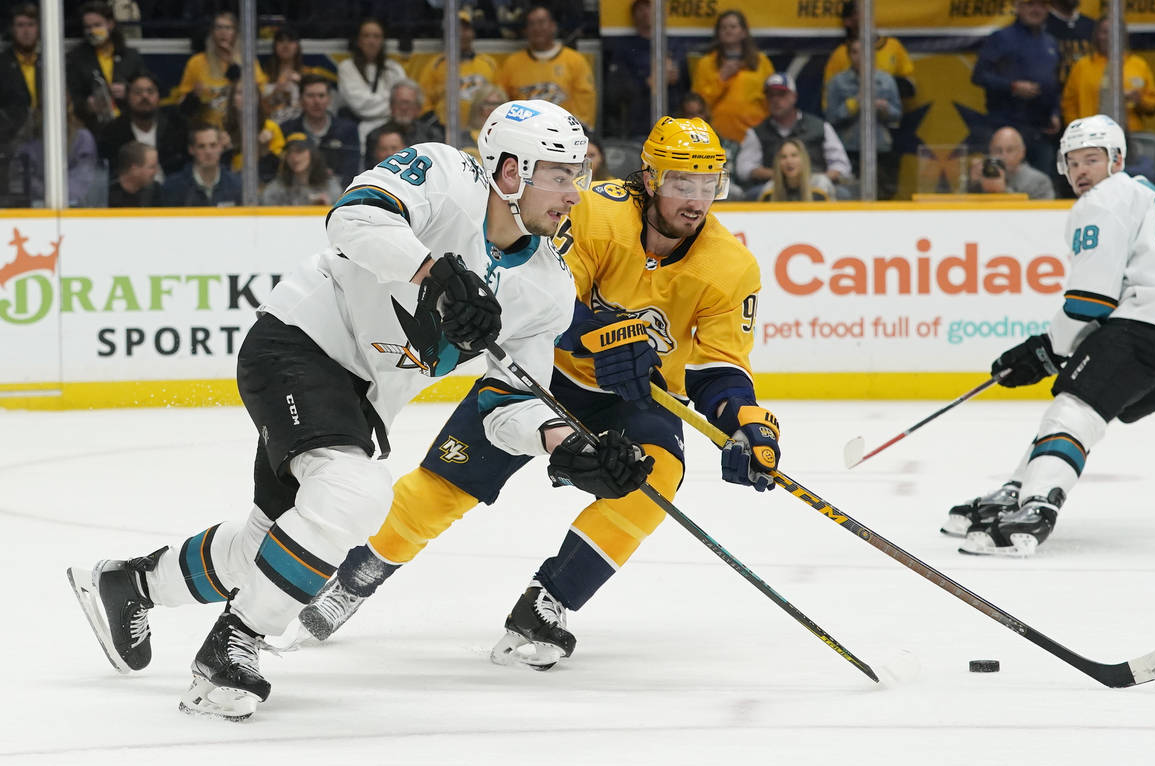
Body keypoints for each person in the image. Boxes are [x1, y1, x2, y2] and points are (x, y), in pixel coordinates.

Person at [67, 99, 650, 720]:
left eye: (580, 175)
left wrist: (570, 447)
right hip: (299, 340)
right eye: (562, 176)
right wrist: (436, 272)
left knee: (269, 549)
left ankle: (131, 583)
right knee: (354, 496)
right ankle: (233, 648)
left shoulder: (548, 288)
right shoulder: (447, 175)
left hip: (363, 405)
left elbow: (510, 402)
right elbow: (353, 217)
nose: (574, 194)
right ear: (511, 171)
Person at [296, 116, 782, 670]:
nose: (695, 201)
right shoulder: (591, 210)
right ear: (648, 179)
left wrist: (745, 420)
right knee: (441, 488)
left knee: (657, 475)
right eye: (680, 183)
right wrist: (600, 337)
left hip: (634, 398)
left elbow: (717, 368)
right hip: (540, 374)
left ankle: (549, 600)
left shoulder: (732, 266)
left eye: (708, 184)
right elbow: (539, 294)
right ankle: (357, 577)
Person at [946, 116, 1155, 557]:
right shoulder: (1144, 194)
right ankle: (1017, 487)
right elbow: (1109, 306)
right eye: (1073, 162)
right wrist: (1054, 351)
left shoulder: (1101, 201)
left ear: (1115, 161)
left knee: (1074, 405)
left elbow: (1090, 303)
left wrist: (1042, 350)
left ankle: (1037, 505)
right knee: (1083, 405)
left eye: (1092, 159)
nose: (1082, 171)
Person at [971, 0, 1061, 178]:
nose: (1036, 9)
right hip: (1007, 128)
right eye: (1030, 4)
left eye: (1041, 5)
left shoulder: (1050, 42)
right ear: (1017, 7)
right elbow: (979, 76)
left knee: (1042, 183)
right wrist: (1012, 86)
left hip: (1040, 131)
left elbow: (1054, 82)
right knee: (1003, 183)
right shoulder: (1001, 38)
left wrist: (1055, 112)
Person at [736, 72, 851, 201]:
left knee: (842, 193)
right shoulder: (757, 132)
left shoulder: (820, 127)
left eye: (781, 94)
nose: (775, 100)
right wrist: (781, 176)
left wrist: (814, 179)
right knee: (753, 194)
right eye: (771, 95)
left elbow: (841, 166)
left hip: (816, 184)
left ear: (794, 97)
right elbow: (744, 168)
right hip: (775, 185)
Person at [824, 38, 902, 200]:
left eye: (865, 51)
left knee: (884, 196)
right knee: (851, 195)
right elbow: (830, 118)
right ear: (849, 55)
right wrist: (855, 102)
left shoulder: (886, 81)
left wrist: (885, 108)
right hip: (850, 150)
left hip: (880, 149)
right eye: (854, 52)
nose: (860, 56)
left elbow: (897, 114)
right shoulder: (838, 82)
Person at [498, 4, 596, 129]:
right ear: (525, 30)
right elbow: (500, 102)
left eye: (541, 22)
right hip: (523, 135)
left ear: (553, 26)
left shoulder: (575, 60)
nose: (537, 28)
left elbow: (584, 105)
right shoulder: (512, 63)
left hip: (563, 135)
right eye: (531, 24)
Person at [602, 0, 686, 138]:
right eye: (641, 9)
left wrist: (676, 77)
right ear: (634, 16)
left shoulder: (674, 45)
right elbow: (615, 92)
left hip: (674, 123)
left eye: (650, 8)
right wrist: (647, 83)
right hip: (638, 124)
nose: (646, 13)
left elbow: (687, 85)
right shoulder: (625, 48)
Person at [170, 11, 267, 127]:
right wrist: (194, 95)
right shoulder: (196, 62)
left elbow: (258, 96)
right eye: (219, 27)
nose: (223, 32)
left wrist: (233, 64)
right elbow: (183, 103)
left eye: (228, 28)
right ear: (212, 32)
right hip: (207, 127)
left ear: (236, 33)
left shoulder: (248, 61)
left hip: (240, 126)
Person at [691, 10, 774, 146]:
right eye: (723, 27)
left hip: (754, 135)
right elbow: (697, 104)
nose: (728, 31)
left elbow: (771, 99)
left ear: (744, 32)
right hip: (717, 135)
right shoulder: (706, 63)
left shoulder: (761, 62)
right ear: (718, 33)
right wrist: (721, 78)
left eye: (733, 27)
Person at [1060, 17, 1155, 131]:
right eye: (1105, 32)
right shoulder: (1082, 66)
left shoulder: (1139, 65)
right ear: (1097, 35)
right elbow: (1068, 105)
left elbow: (1153, 106)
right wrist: (1078, 131)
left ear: (1123, 36)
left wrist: (1140, 101)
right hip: (1091, 137)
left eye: (1115, 32)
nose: (1110, 37)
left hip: (1130, 137)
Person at [65, 1, 146, 137]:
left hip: (128, 125)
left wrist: (129, 91)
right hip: (92, 128)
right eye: (88, 27)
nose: (92, 31)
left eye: (97, 25)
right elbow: (71, 97)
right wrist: (88, 106)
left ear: (110, 24)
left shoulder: (130, 55)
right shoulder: (75, 59)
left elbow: (149, 85)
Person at [820, 1, 915, 109]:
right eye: (858, 12)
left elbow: (910, 86)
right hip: (851, 121)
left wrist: (886, 88)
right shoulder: (839, 55)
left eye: (867, 10)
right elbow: (828, 102)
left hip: (886, 120)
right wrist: (853, 102)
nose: (865, 14)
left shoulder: (893, 46)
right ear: (848, 21)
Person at [97, 71, 189, 180]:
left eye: (150, 91)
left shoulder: (176, 126)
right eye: (138, 92)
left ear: (158, 96)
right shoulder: (112, 132)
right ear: (127, 96)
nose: (145, 96)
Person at [418, 8, 499, 128]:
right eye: (455, 29)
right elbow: (423, 102)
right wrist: (437, 128)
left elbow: (501, 98)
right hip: (445, 133)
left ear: (473, 33)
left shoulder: (489, 64)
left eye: (465, 29)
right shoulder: (434, 66)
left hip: (483, 129)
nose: (460, 34)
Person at [336, 18, 407, 152]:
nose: (371, 41)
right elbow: (361, 106)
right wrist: (390, 102)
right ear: (358, 40)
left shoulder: (394, 69)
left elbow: (402, 102)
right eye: (366, 36)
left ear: (382, 41)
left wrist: (391, 103)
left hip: (391, 130)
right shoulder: (346, 68)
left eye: (376, 36)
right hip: (358, 131)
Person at [280, 75, 361, 186]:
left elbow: (351, 172)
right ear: (300, 99)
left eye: (321, 96)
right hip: (294, 195)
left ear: (329, 99)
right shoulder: (287, 129)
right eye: (310, 96)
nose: (316, 101)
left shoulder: (348, 130)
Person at [160, 123, 241, 206]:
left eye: (213, 145)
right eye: (201, 146)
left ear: (221, 147)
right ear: (191, 149)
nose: (208, 151)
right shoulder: (173, 187)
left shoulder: (237, 185)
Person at [220, 73, 284, 178]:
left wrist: (264, 151)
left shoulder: (271, 127)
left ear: (257, 99)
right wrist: (224, 152)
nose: (246, 97)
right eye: (240, 93)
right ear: (232, 99)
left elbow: (278, 170)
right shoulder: (222, 128)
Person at [967, 126, 1055, 198]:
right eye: (998, 150)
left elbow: (1042, 216)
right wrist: (973, 184)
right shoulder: (983, 177)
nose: (1003, 156)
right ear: (990, 152)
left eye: (1010, 150)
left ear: (1022, 152)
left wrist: (1003, 191)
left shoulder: (1039, 182)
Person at [261, 132, 343, 206]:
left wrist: (325, 206)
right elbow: (266, 209)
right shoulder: (278, 187)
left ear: (313, 154)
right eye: (289, 152)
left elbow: (340, 211)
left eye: (299, 151)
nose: (294, 157)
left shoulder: (329, 184)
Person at [0, 3, 40, 150]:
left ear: (38, 28)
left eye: (31, 24)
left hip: (47, 136)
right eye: (20, 25)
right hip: (10, 141)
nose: (26, 31)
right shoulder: (2, 65)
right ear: (12, 29)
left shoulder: (50, 64)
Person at [365, 80, 444, 154]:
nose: (403, 108)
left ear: (418, 108)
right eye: (399, 103)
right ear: (391, 106)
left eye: (408, 103)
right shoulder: (375, 137)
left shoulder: (432, 136)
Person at [758, 138, 835, 201]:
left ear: (804, 159)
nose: (789, 161)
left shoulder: (820, 185)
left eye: (794, 155)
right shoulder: (769, 190)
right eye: (783, 157)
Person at [107, 139, 158, 206]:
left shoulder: (156, 190)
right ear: (135, 170)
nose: (156, 172)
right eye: (151, 167)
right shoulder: (106, 194)